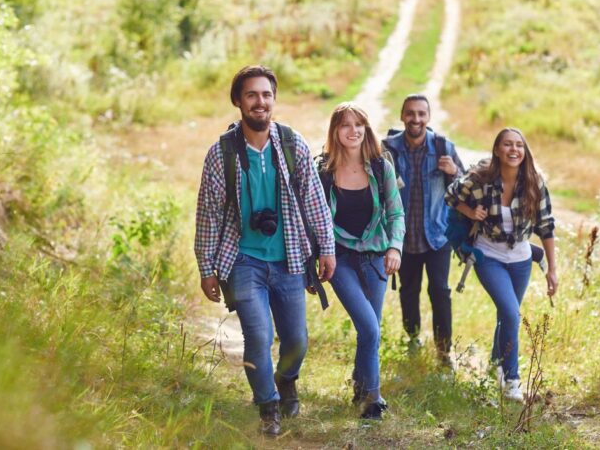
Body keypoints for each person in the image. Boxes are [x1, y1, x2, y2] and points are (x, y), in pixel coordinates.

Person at [194, 65, 336, 436]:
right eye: (252, 95)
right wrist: (206, 268)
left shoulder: (292, 145)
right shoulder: (221, 154)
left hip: (289, 258)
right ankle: (268, 405)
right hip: (243, 260)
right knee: (258, 335)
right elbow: (208, 214)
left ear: (274, 100)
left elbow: (315, 201)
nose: (260, 102)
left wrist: (326, 248)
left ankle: (286, 378)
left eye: (266, 95)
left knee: (296, 341)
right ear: (238, 102)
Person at [445, 127, 557, 401]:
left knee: (505, 315)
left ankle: (495, 364)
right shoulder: (481, 178)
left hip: (520, 259)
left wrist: (552, 269)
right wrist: (470, 211)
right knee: (510, 313)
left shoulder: (534, 183)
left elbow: (546, 227)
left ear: (524, 151)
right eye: (507, 144)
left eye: (519, 145)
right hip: (488, 256)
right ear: (497, 149)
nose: (514, 150)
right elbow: (451, 196)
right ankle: (512, 381)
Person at [317, 102, 405, 421]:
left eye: (359, 125)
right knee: (369, 326)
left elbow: (396, 213)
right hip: (339, 258)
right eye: (345, 125)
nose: (352, 131)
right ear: (335, 131)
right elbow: (316, 219)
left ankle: (360, 386)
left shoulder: (381, 166)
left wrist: (395, 248)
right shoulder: (323, 170)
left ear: (366, 129)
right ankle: (374, 398)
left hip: (376, 257)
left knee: (370, 330)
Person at [382, 94, 464, 365]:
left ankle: (444, 351)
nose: (415, 119)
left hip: (437, 236)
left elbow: (466, 188)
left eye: (421, 114)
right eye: (410, 113)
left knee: (440, 291)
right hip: (403, 238)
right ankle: (413, 338)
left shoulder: (443, 146)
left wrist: (453, 172)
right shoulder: (388, 149)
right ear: (402, 115)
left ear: (428, 117)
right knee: (408, 289)